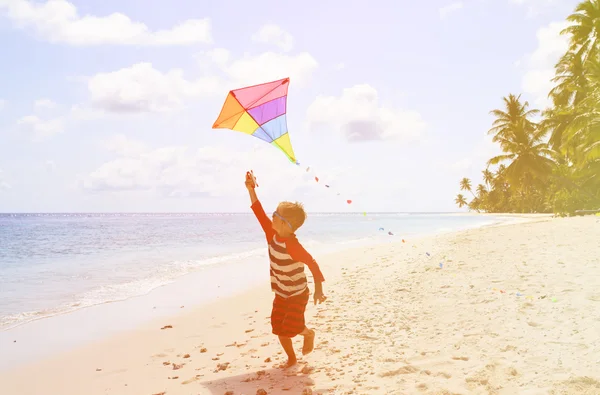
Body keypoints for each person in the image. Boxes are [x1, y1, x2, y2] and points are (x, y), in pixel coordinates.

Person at [245, 171, 327, 367]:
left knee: (293, 327)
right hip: (281, 292)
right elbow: (258, 211)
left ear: (284, 223)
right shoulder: (271, 233)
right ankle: (291, 357)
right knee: (279, 329)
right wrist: (251, 189)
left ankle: (308, 333)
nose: (270, 216)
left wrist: (319, 290)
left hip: (298, 293)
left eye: (275, 214)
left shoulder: (293, 246)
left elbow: (312, 264)